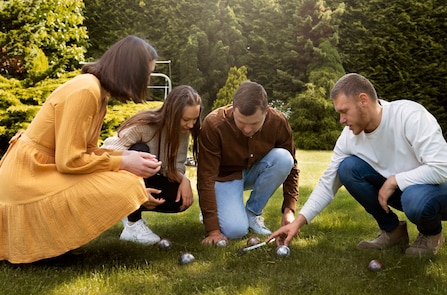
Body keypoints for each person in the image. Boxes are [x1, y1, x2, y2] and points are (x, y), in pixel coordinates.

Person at [0, 35, 165, 264]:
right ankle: (46, 248)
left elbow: (87, 150)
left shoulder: (98, 93)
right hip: (29, 176)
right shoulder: (86, 90)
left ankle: (54, 246)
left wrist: (126, 156)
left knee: (128, 180)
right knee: (126, 182)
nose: (147, 82)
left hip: (43, 170)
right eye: (145, 74)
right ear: (130, 71)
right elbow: (69, 161)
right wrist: (123, 163)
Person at [268, 73, 447, 257]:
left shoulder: (410, 116)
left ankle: (431, 235)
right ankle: (393, 232)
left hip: (438, 188)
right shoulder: (349, 138)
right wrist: (297, 223)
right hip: (403, 192)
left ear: (363, 100)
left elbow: (442, 168)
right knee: (347, 168)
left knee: (414, 198)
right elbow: (328, 183)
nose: (341, 120)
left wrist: (395, 180)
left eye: (344, 111)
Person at [197, 80, 299, 245]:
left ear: (266, 111)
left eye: (254, 123)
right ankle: (214, 209)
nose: (247, 129)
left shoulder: (278, 122)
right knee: (236, 231)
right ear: (233, 107)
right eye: (241, 122)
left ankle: (252, 213)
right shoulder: (214, 124)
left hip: (255, 170)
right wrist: (213, 229)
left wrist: (289, 209)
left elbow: (292, 168)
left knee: (284, 158)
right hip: (225, 177)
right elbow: (205, 177)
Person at [102, 85, 201, 244]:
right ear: (172, 114)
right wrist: (135, 189)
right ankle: (132, 224)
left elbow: (173, 167)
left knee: (178, 198)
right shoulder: (145, 125)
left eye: (194, 119)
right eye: (186, 119)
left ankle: (130, 211)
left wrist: (184, 180)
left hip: (149, 178)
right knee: (140, 151)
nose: (191, 125)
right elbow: (108, 150)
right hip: (120, 181)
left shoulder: (183, 132)